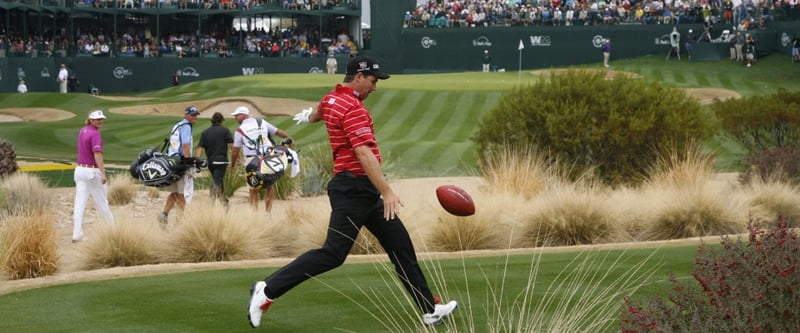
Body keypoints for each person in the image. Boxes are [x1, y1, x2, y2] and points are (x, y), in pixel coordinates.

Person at [246, 56, 458, 328]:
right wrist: (388, 192)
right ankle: (267, 290)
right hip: (354, 189)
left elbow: (319, 111)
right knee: (333, 254)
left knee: (400, 245)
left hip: (362, 191)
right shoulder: (354, 109)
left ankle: (429, 309)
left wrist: (308, 116)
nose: (375, 87)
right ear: (358, 78)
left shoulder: (333, 98)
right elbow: (363, 152)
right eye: (372, 81)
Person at [229, 106, 292, 212]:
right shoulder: (261, 122)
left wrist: (233, 165)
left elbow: (235, 150)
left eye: (237, 115)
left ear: (243, 115)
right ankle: (268, 214)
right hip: (268, 158)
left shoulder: (239, 130)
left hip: (252, 160)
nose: (235, 118)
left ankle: (254, 216)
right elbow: (278, 132)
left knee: (253, 189)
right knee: (269, 186)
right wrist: (289, 138)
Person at [73, 110, 115, 243]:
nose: (100, 121)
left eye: (101, 119)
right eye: (97, 119)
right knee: (102, 202)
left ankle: (76, 234)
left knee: (79, 203)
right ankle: (113, 232)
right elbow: (97, 154)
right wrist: (102, 172)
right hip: (92, 172)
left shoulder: (83, 131)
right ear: (90, 120)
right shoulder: (95, 134)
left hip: (80, 170)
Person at [158, 106, 200, 225]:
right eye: (193, 115)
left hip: (172, 162)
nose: (195, 117)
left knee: (175, 192)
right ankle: (180, 222)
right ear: (186, 115)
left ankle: (164, 214)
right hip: (180, 164)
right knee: (182, 194)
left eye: (196, 115)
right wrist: (189, 162)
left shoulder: (178, 125)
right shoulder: (186, 127)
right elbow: (185, 146)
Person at [195, 112, 233, 205]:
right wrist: (238, 159)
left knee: (218, 180)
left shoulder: (205, 132)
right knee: (217, 181)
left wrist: (197, 161)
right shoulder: (225, 131)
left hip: (210, 162)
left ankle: (224, 201)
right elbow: (232, 146)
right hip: (221, 161)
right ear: (221, 121)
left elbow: (200, 148)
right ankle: (211, 203)